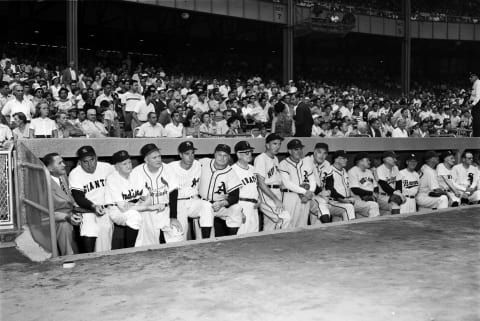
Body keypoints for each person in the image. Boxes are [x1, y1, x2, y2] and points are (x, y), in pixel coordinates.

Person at [130, 144, 184, 245]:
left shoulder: (168, 169)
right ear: (146, 160)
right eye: (154, 157)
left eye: (159, 156)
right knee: (148, 245)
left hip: (165, 209)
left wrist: (173, 216)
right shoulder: (136, 172)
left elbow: (173, 192)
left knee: (177, 233)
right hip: (147, 212)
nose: (158, 159)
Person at [104, 151, 155, 248]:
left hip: (135, 206)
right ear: (116, 167)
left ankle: (146, 248)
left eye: (129, 162)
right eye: (124, 164)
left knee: (150, 216)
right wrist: (146, 207)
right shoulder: (112, 179)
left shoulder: (136, 175)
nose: (128, 166)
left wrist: (140, 206)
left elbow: (148, 198)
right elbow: (123, 208)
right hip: (116, 211)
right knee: (134, 216)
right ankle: (129, 249)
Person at [68, 146, 114, 252]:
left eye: (92, 160)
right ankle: (87, 261)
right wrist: (93, 206)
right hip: (86, 210)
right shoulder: (75, 173)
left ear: (96, 158)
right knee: (89, 230)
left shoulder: (107, 168)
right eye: (85, 162)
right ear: (80, 162)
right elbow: (79, 197)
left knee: (104, 234)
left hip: (104, 209)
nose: (90, 164)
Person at [167, 141, 214, 240]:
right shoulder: (170, 167)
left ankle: (206, 241)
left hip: (194, 201)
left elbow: (216, 162)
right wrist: (173, 216)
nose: (191, 156)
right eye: (187, 154)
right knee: (179, 235)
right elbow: (171, 192)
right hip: (178, 203)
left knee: (206, 206)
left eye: (192, 153)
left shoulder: (198, 164)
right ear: (180, 155)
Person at [198, 144, 244, 236]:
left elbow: (234, 197)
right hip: (201, 204)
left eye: (225, 155)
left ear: (229, 157)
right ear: (214, 154)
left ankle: (231, 239)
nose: (222, 158)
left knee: (236, 208)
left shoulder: (231, 173)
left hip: (219, 206)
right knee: (202, 239)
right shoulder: (203, 162)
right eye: (219, 154)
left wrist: (221, 203)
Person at [43, 152, 81, 256]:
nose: (64, 165)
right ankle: (68, 258)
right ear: (50, 169)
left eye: (63, 162)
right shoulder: (44, 184)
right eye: (59, 163)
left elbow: (69, 196)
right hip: (55, 218)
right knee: (64, 225)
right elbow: (47, 212)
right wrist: (67, 217)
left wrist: (78, 207)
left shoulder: (62, 175)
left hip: (70, 212)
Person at [305, 142, 353, 221]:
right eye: (319, 152)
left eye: (325, 153)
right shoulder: (306, 161)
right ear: (314, 152)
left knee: (347, 207)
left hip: (321, 198)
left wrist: (330, 191)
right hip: (306, 196)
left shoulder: (326, 164)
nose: (322, 156)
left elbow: (330, 183)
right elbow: (308, 181)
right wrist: (320, 192)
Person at [326, 150, 379, 219]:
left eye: (346, 158)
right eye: (343, 158)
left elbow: (349, 188)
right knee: (348, 208)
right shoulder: (329, 170)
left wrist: (354, 198)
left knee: (373, 205)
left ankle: (372, 227)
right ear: (336, 159)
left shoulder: (344, 171)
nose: (346, 160)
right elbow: (330, 190)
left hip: (348, 200)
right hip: (334, 201)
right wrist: (343, 199)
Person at [254, 133, 291, 231]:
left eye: (279, 144)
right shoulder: (261, 158)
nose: (277, 146)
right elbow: (261, 183)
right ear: (267, 145)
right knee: (284, 218)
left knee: (270, 225)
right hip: (266, 193)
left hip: (276, 191)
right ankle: (281, 242)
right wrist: (275, 200)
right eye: (274, 143)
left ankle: (267, 245)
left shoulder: (275, 158)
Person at [279, 139, 317, 228]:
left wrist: (310, 192)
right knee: (288, 224)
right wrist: (305, 192)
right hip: (290, 196)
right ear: (289, 151)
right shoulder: (283, 164)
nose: (299, 151)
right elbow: (287, 183)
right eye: (296, 149)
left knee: (303, 225)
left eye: (300, 149)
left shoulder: (306, 162)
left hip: (305, 197)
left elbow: (312, 180)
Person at [232, 141, 260, 235]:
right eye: (246, 153)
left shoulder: (252, 168)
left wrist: (259, 199)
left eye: (250, 152)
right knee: (241, 236)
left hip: (254, 206)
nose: (250, 154)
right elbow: (230, 194)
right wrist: (239, 210)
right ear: (238, 154)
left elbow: (255, 187)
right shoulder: (232, 170)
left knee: (254, 236)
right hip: (242, 205)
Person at [347, 152, 381, 218]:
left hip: (369, 199)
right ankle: (375, 225)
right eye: (367, 160)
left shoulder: (369, 171)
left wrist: (375, 195)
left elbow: (375, 186)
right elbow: (355, 189)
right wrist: (371, 193)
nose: (369, 162)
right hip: (358, 199)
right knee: (373, 205)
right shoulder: (353, 171)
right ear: (360, 161)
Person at [469, 72, 480, 137]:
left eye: (471, 77)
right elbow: (473, 95)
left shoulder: (478, 83)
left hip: (477, 104)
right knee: (475, 120)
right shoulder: (475, 83)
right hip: (475, 104)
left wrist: (472, 104)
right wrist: (469, 101)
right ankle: (476, 135)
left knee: (477, 121)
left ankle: (477, 136)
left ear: (476, 77)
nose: (469, 78)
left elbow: (478, 96)